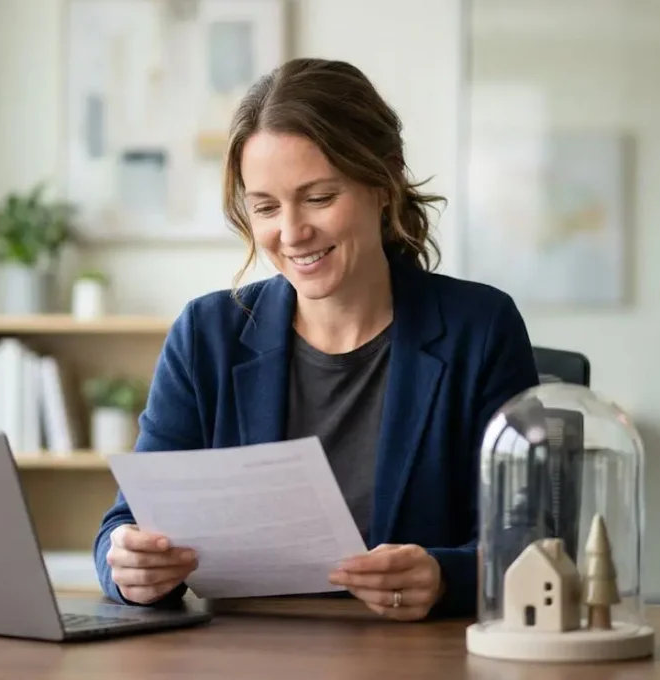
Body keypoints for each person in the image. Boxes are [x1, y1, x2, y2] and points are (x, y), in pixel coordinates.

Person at [91, 58, 539, 621]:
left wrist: (445, 577)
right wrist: (127, 566)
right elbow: (124, 525)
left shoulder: (481, 327)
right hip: (244, 655)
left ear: (384, 182)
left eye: (320, 198)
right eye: (266, 207)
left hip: (417, 658)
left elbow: (532, 539)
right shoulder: (206, 335)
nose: (292, 232)